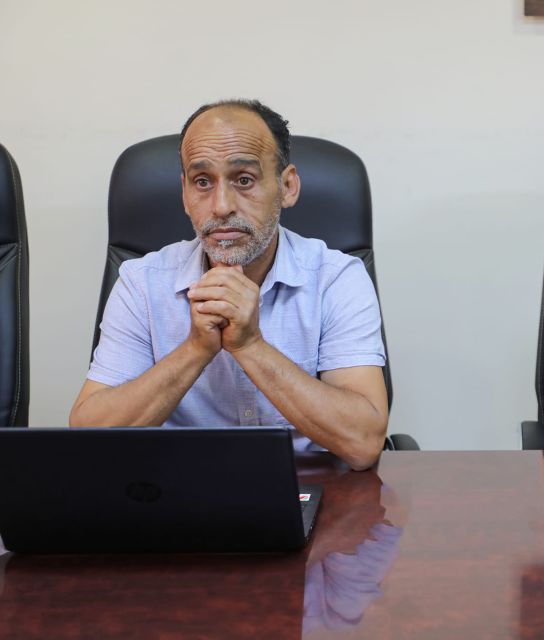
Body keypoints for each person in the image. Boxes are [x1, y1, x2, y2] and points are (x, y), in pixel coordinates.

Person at [70, 100, 388, 470]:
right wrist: (195, 349)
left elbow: (363, 443)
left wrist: (250, 345)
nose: (221, 207)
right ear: (185, 194)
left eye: (244, 179)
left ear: (287, 186)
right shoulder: (141, 282)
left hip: (306, 483)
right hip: (176, 486)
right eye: (202, 182)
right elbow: (88, 439)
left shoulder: (336, 278)